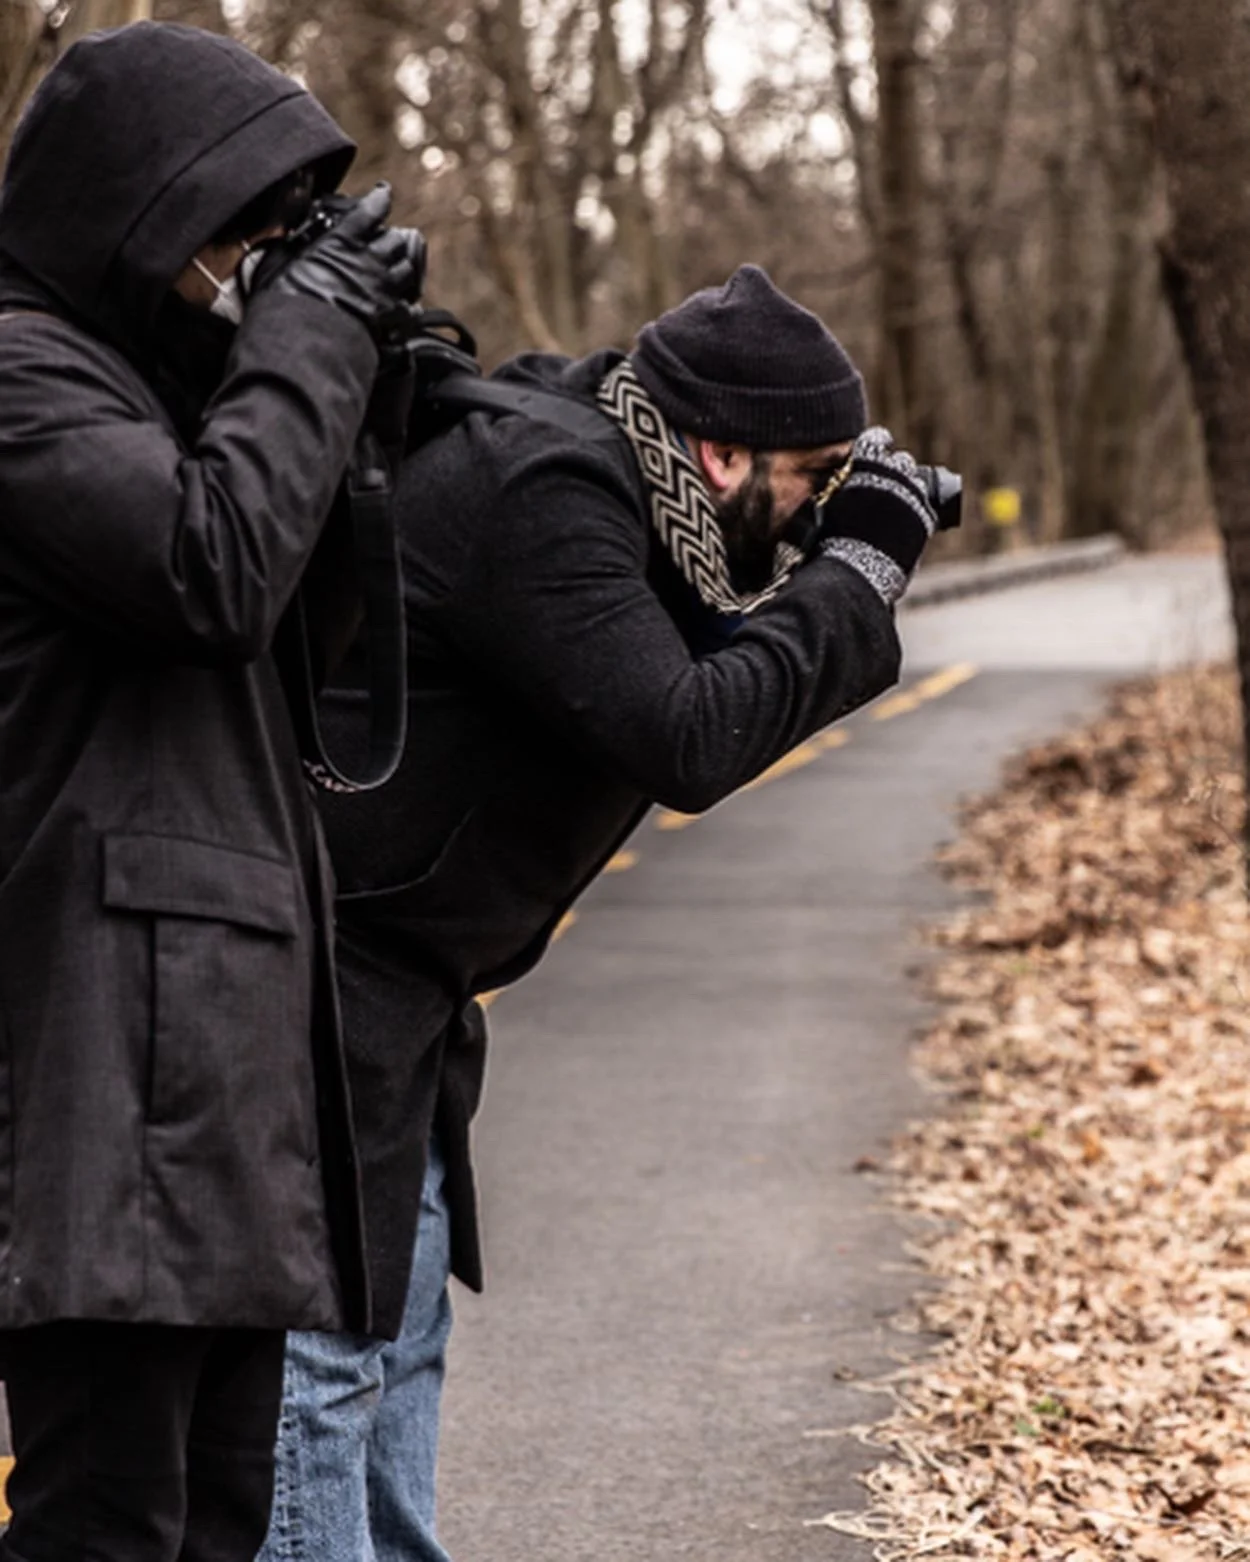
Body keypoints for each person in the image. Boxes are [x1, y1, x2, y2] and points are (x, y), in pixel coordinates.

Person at [259, 264, 941, 1562]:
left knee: (389, 1342)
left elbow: (693, 641)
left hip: (387, 978)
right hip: (322, 968)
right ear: (721, 449)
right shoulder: (548, 490)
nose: (807, 516)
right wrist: (855, 571)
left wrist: (833, 543)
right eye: (805, 482)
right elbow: (685, 731)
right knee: (327, 1361)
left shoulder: (624, 479)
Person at [0, 21, 422, 1562]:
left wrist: (355, 404)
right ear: (135, 208)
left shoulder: (166, 391)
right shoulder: (20, 376)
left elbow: (308, 640)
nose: (254, 264)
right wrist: (305, 342)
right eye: (239, 230)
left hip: (213, 1082)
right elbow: (210, 572)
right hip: (114, 1083)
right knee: (108, 1519)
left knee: (213, 1522)